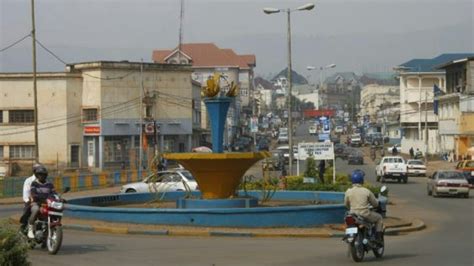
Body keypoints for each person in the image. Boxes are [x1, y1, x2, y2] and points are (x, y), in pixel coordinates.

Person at [344, 170, 384, 243]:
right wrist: (377, 205)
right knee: (379, 218)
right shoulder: (366, 191)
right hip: (364, 214)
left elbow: (346, 204)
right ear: (361, 180)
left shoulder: (348, 191)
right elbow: (375, 204)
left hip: (353, 214)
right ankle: (378, 238)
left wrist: (351, 208)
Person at [27, 165, 56, 239]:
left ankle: (50, 229)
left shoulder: (50, 184)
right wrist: (36, 197)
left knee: (54, 211)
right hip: (37, 203)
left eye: (43, 174)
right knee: (36, 209)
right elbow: (33, 193)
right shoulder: (34, 183)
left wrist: (59, 198)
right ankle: (30, 228)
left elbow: (53, 193)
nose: (41, 176)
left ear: (46, 175)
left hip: (47, 204)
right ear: (37, 175)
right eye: (40, 174)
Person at [20, 163, 43, 231]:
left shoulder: (45, 181)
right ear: (34, 171)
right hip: (32, 202)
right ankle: (27, 227)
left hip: (43, 203)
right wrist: (28, 201)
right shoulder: (29, 180)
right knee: (32, 212)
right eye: (38, 170)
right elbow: (26, 194)